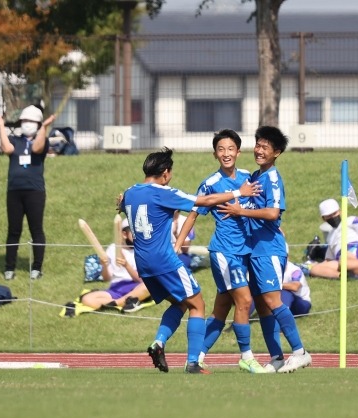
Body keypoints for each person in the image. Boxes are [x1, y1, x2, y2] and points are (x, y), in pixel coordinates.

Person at [119, 147, 261, 374]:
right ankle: (193, 362)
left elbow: (121, 203)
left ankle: (159, 342)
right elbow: (205, 200)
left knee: (181, 303)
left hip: (142, 262)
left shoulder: (130, 192)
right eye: (170, 173)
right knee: (198, 304)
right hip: (164, 260)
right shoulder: (163, 192)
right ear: (165, 173)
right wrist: (239, 193)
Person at [218, 126, 311, 373]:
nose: (259, 150)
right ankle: (277, 357)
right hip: (255, 251)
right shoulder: (256, 177)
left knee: (273, 300)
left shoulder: (271, 178)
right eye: (258, 145)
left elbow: (272, 213)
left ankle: (301, 352)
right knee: (262, 306)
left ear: (276, 153)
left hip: (269, 249)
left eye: (265, 147)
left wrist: (241, 211)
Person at [174, 129, 266, 374]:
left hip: (246, 253)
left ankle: (195, 358)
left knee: (221, 310)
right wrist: (178, 243)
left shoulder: (249, 177)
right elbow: (193, 214)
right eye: (221, 150)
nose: (226, 154)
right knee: (245, 301)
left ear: (238, 151)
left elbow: (261, 209)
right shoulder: (211, 184)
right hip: (225, 253)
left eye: (230, 149)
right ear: (215, 154)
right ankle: (246, 356)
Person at [0, 104, 56, 281]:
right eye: (25, 120)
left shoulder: (42, 140)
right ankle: (9, 267)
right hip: (14, 191)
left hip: (35, 192)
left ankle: (37, 267)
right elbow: (6, 149)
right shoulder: (15, 140)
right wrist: (2, 126)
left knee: (36, 229)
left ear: (38, 124)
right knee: (14, 230)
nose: (27, 124)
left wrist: (44, 127)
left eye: (31, 121)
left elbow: (36, 149)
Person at [61, 218, 153, 317]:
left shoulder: (143, 250)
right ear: (124, 234)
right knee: (86, 299)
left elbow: (140, 280)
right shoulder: (113, 248)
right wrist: (104, 265)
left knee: (151, 285)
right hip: (116, 288)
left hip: (135, 286)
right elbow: (106, 278)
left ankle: (118, 303)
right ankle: (123, 302)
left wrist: (126, 266)